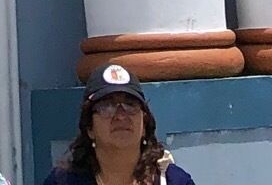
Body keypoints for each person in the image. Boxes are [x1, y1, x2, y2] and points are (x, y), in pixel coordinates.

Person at [39, 64, 193, 185]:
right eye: (107, 106)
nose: (120, 116)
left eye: (130, 105)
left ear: (144, 124)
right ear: (89, 127)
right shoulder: (63, 182)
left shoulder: (174, 181)